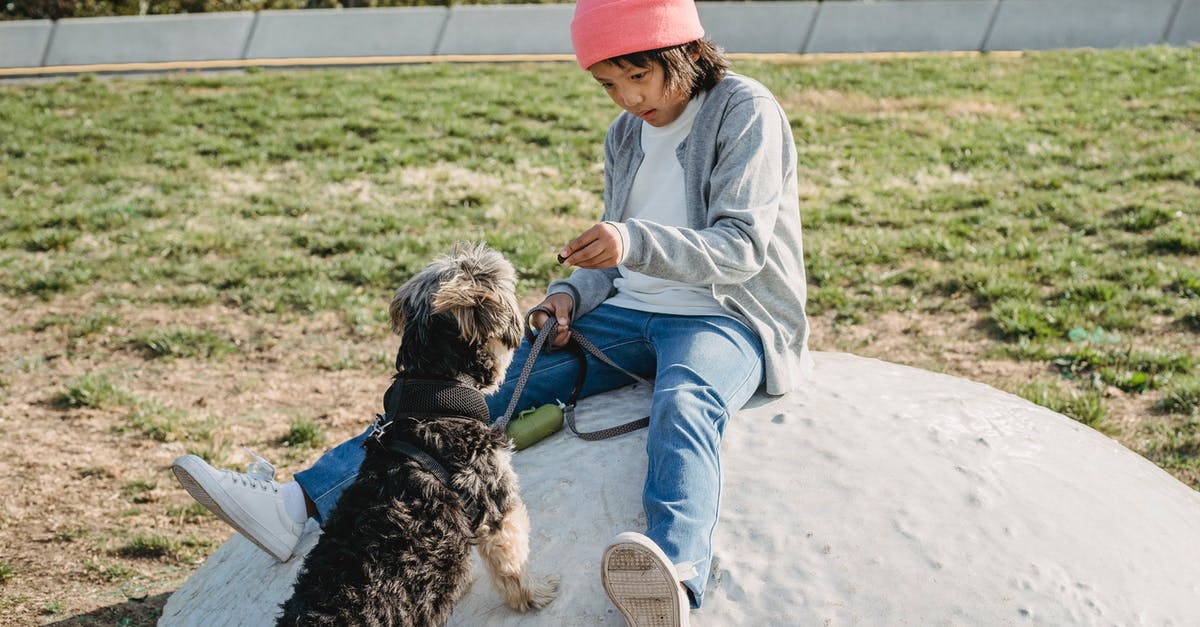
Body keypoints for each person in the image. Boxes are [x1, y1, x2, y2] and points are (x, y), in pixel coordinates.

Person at [171, 0, 810, 624]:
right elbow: (613, 260)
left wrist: (632, 240)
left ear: (687, 52)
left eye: (637, 76)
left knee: (686, 402)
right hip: (625, 313)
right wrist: (570, 293)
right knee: (460, 398)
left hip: (724, 316)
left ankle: (676, 573)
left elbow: (741, 247)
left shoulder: (742, 109)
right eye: (609, 84)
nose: (626, 99)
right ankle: (297, 502)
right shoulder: (625, 134)